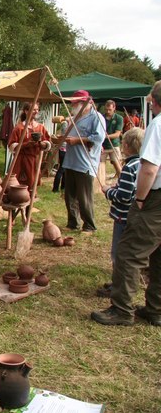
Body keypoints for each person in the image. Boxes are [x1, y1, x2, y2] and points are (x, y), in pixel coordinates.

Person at [91, 82, 161, 326]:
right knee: (158, 255)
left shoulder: (158, 124)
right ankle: (156, 309)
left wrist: (140, 199)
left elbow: (150, 169)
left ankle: (121, 310)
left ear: (154, 101)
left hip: (155, 200)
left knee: (129, 255)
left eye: (151, 100)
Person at [95, 128, 144, 297]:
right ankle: (119, 282)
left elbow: (123, 196)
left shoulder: (129, 168)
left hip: (123, 217)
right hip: (135, 216)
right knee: (128, 252)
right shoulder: (142, 165)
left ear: (127, 146)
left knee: (118, 253)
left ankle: (119, 286)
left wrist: (108, 191)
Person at [62, 90, 106, 234]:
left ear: (85, 103)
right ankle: (73, 222)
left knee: (84, 197)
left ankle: (89, 225)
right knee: (70, 196)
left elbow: (99, 138)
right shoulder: (76, 117)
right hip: (70, 161)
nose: (73, 106)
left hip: (85, 162)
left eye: (76, 103)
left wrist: (78, 140)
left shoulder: (96, 117)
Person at [7, 102, 51, 195]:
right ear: (26, 111)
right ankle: (18, 203)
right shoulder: (19, 128)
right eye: (33, 110)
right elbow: (11, 146)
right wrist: (26, 145)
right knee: (18, 185)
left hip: (34, 160)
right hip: (20, 160)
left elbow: (47, 142)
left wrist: (43, 144)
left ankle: (28, 206)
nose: (36, 111)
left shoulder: (40, 127)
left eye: (37, 109)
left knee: (32, 185)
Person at [101, 100, 124, 170]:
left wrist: (104, 136)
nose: (108, 111)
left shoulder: (119, 118)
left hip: (114, 145)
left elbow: (117, 134)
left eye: (110, 110)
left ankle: (121, 180)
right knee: (100, 166)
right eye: (106, 109)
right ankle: (102, 181)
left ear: (114, 108)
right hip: (103, 146)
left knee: (118, 166)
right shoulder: (101, 117)